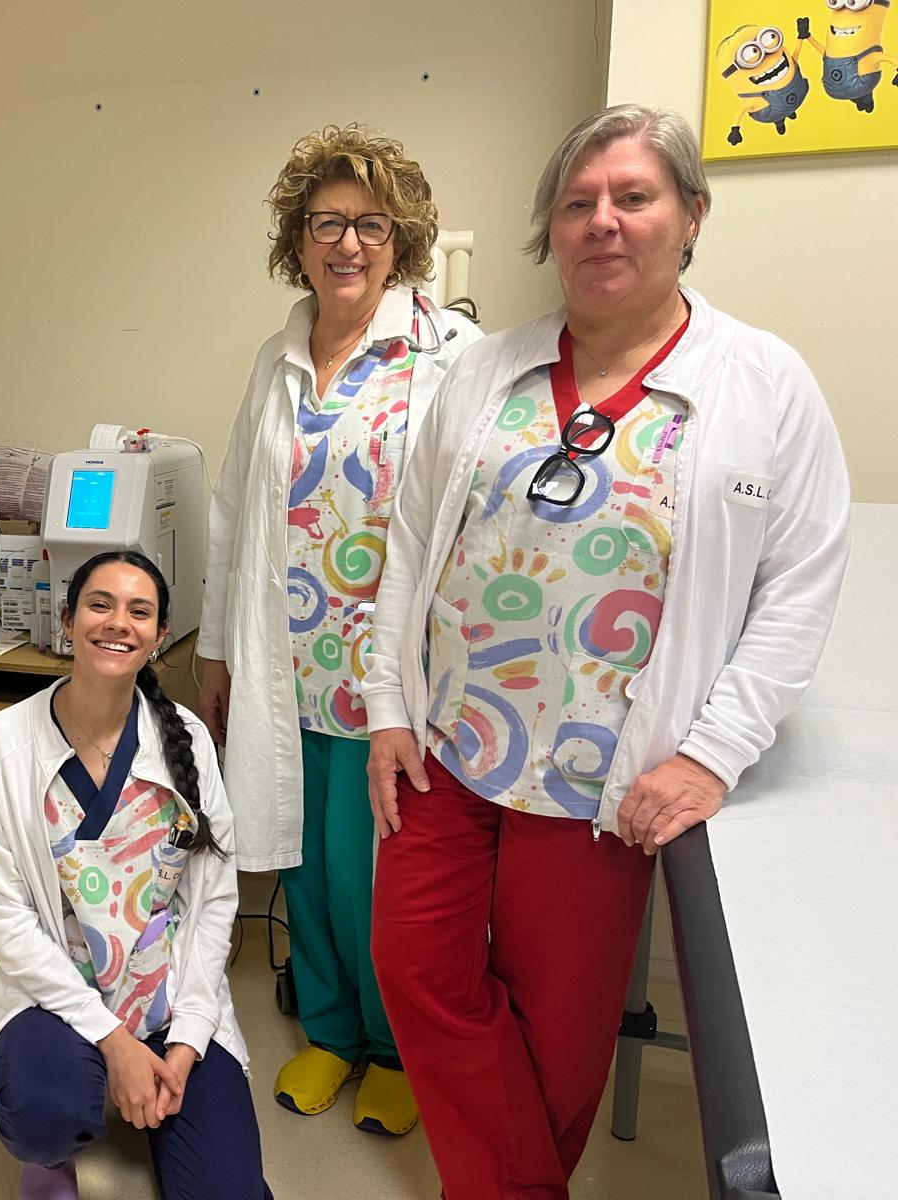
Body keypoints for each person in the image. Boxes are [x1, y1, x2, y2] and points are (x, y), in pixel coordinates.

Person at [361, 104, 851, 1200]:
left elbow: (799, 586)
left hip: (602, 777)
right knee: (416, 968)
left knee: (562, 1034)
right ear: (550, 228)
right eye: (578, 203)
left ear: (691, 217)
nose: (603, 222)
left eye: (633, 197)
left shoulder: (763, 383)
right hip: (449, 746)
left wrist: (711, 753)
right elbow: (409, 544)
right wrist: (388, 705)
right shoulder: (485, 373)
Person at [197, 124, 480, 1134]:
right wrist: (216, 650)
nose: (347, 243)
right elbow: (232, 510)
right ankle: (327, 1033)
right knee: (306, 863)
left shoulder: (446, 357)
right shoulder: (276, 359)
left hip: (391, 678)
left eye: (370, 224)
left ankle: (395, 1048)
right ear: (297, 240)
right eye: (325, 223)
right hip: (288, 668)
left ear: (401, 239)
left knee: (382, 877)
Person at [0, 551, 271, 1200]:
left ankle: (154, 1078)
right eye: (99, 605)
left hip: (165, 984)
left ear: (160, 635)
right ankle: (50, 1150)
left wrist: (188, 1037)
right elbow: (7, 918)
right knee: (45, 1114)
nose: (117, 623)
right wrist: (115, 1043)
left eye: (139, 611)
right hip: (55, 985)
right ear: (67, 621)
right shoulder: (1, 745)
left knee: (228, 1191)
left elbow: (215, 899)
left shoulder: (185, 738)